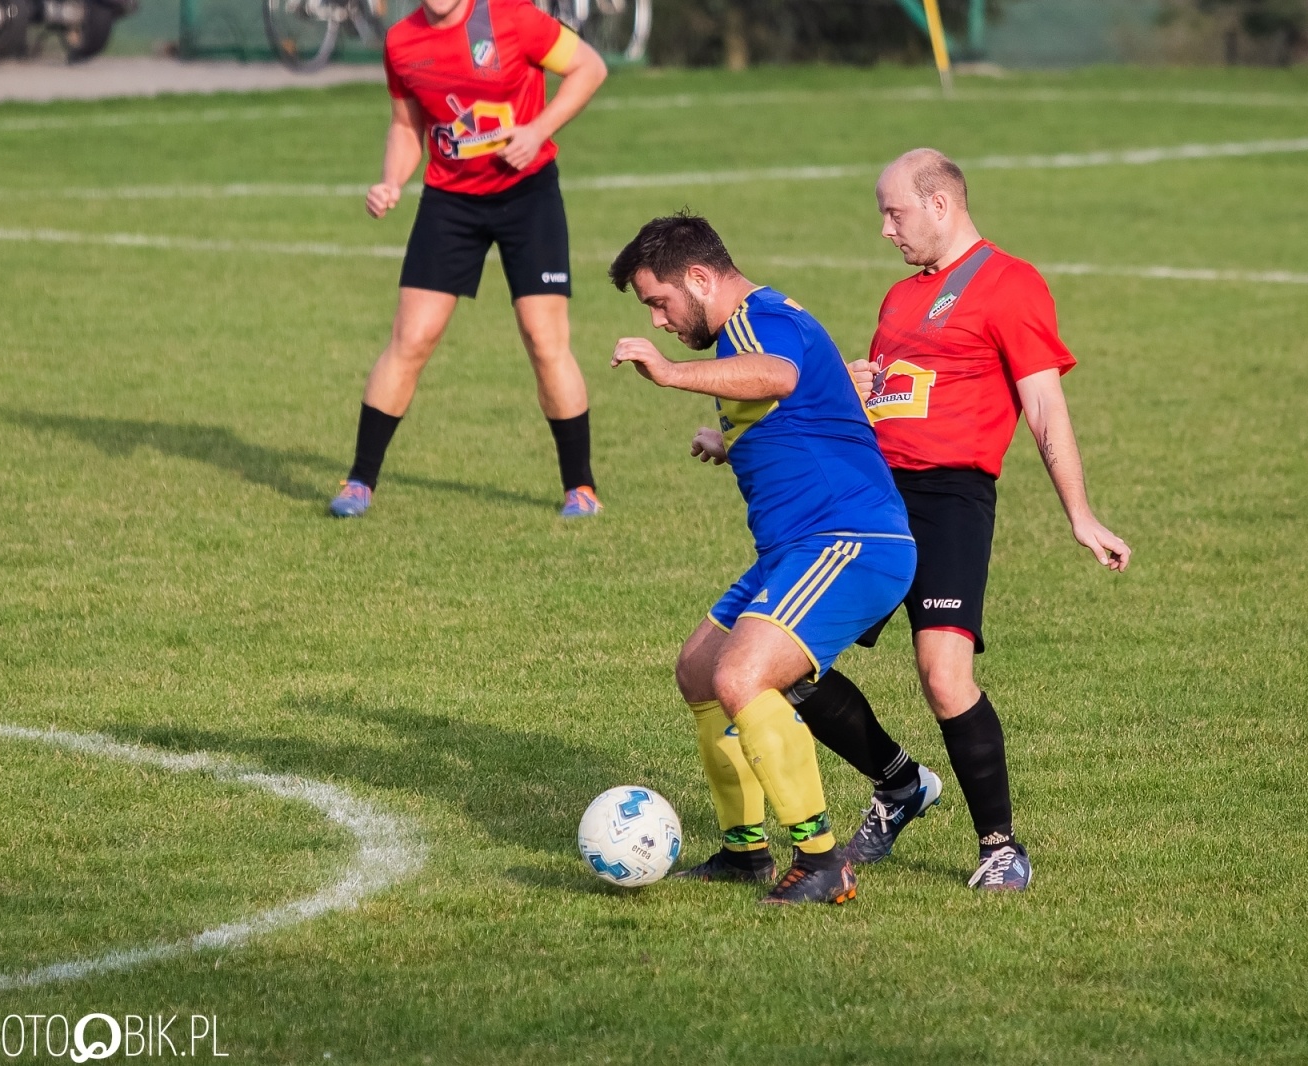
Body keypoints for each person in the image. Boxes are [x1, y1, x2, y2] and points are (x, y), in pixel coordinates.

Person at [797, 148, 1132, 892]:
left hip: (949, 499)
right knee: (787, 663)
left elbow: (1043, 404)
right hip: (870, 497)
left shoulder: (1010, 283)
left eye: (895, 212)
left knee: (944, 678)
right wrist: (852, 387)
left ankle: (1001, 846)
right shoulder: (899, 298)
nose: (886, 229)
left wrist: (1079, 514)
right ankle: (899, 783)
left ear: (940, 205)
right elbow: (884, 401)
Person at [608, 212, 916, 906]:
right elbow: (811, 406)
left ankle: (822, 861)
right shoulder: (761, 321)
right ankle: (745, 851)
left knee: (742, 675)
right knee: (699, 670)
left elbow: (777, 374)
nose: (657, 320)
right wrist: (731, 446)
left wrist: (671, 372)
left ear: (699, 277)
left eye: (658, 301)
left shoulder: (754, 320)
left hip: (848, 541)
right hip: (799, 546)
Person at [328, 0, 608, 520]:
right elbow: (406, 126)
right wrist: (392, 181)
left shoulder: (512, 17)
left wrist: (538, 130)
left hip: (528, 197)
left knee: (544, 339)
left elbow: (590, 67)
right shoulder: (402, 43)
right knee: (411, 338)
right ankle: (359, 481)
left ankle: (581, 488)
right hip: (450, 202)